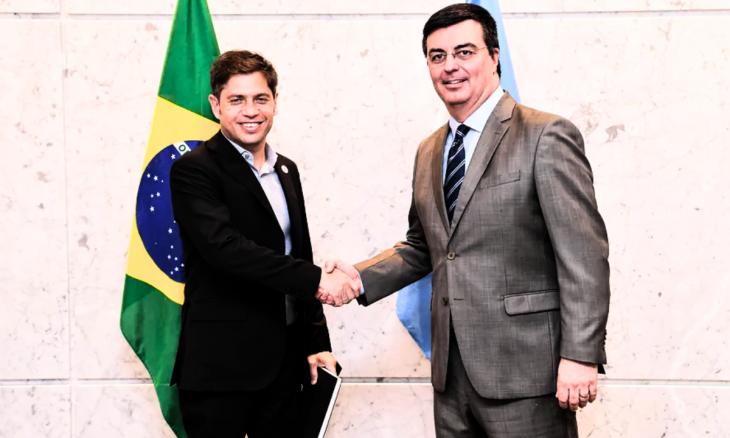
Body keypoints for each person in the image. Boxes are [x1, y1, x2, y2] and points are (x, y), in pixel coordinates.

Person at [324, 4, 610, 437]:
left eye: (464, 52)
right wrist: (361, 277)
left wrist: (581, 355)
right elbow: (426, 246)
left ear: (494, 56)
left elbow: (584, 257)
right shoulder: (429, 150)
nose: (450, 66)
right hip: (451, 375)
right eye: (437, 56)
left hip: (528, 374)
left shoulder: (546, 135)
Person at [168, 50, 359, 438]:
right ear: (215, 105)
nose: (250, 110)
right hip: (221, 370)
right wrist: (318, 280)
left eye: (260, 98)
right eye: (236, 100)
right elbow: (226, 249)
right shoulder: (194, 169)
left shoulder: (286, 169)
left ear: (274, 102)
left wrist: (315, 341)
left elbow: (297, 253)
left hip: (285, 367)